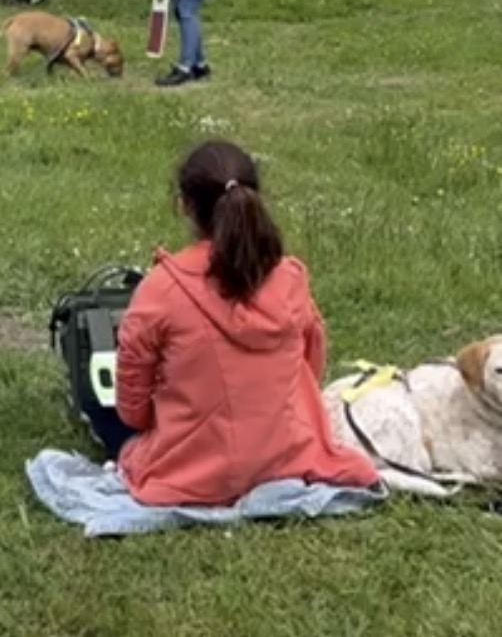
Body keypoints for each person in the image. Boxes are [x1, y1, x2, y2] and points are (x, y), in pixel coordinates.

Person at [89, 140, 379, 507]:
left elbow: (133, 408)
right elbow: (312, 363)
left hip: (191, 474)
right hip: (287, 456)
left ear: (184, 206)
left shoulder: (160, 289)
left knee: (99, 406)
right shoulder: (290, 276)